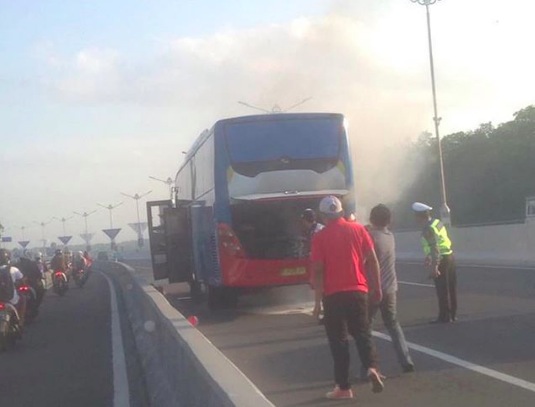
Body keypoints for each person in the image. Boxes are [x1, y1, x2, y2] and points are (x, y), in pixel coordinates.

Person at [311, 196, 384, 400]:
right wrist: (376, 287)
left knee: (339, 341)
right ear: (341, 212)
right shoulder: (358, 229)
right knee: (362, 333)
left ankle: (343, 387)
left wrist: (317, 303)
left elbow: (318, 271)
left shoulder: (320, 237)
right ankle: (371, 367)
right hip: (358, 291)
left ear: (324, 216)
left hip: (333, 295)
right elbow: (372, 259)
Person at [364, 204, 414, 374]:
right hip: (391, 287)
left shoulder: (370, 237)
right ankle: (406, 360)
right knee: (393, 324)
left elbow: (365, 260)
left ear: (372, 218)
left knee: (365, 327)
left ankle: (370, 368)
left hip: (373, 289)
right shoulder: (390, 236)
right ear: (389, 220)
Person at [412, 202, 457, 323]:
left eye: (416, 216)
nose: (415, 219)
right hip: (449, 256)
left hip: (442, 259)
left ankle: (445, 317)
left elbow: (434, 247)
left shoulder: (428, 228)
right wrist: (429, 257)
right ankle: (452, 314)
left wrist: (434, 266)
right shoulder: (437, 222)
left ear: (420, 216)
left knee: (442, 289)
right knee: (450, 288)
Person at [301, 208, 325, 323]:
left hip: (321, 262)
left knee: (321, 287)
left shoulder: (316, 231)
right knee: (320, 287)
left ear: (306, 220)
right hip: (320, 261)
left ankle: (322, 311)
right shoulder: (317, 228)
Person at [0, 249, 26, 328]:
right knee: (23, 298)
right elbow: (22, 281)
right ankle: (20, 320)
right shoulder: (13, 269)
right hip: (11, 299)